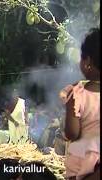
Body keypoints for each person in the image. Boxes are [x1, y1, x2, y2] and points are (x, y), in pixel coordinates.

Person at [59, 28, 100, 180]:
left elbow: (72, 133)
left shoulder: (77, 93)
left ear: (87, 61)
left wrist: (69, 106)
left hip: (83, 165)